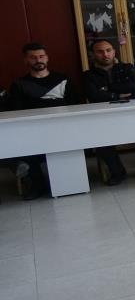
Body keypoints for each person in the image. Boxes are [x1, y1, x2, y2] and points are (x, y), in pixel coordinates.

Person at [7, 42, 81, 199]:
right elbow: (18, 111)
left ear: (47, 58)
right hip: (33, 130)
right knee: (24, 145)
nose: (38, 60)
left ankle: (69, 182)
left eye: (41, 56)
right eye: (33, 58)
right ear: (26, 61)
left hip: (64, 127)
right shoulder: (18, 85)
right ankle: (38, 185)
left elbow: (75, 105)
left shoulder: (63, 79)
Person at [82, 39, 135, 184]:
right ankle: (117, 172)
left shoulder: (127, 67)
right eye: (100, 51)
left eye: (108, 50)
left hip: (133, 113)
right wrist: (116, 94)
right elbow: (93, 95)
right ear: (93, 54)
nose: (105, 54)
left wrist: (106, 90)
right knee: (97, 135)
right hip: (104, 117)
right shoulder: (88, 75)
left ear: (114, 52)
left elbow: (131, 89)